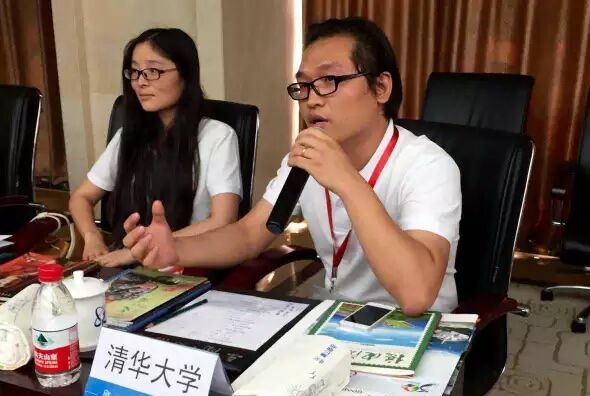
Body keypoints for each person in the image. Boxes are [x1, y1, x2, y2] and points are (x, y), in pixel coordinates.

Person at [123, 17, 461, 315]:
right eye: (304, 86)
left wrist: (347, 180)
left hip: (418, 331)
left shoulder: (427, 165)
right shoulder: (305, 159)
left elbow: (416, 296)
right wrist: (176, 248)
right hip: (337, 320)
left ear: (381, 88)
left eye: (329, 81)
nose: (311, 100)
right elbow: (248, 235)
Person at [69, 28, 242, 267]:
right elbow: (81, 197)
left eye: (153, 71)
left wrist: (137, 252)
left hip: (189, 266)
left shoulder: (217, 136)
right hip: (127, 264)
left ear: (186, 75)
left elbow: (223, 220)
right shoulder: (128, 135)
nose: (140, 82)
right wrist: (91, 236)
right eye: (135, 71)